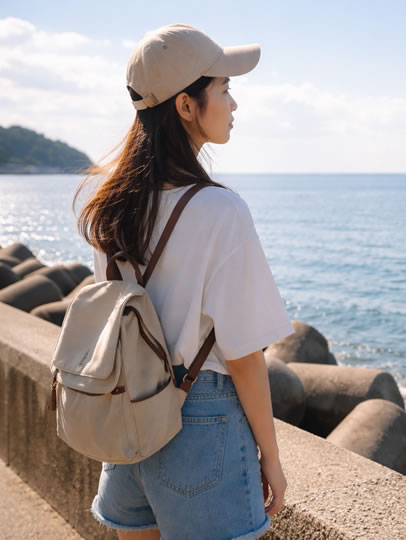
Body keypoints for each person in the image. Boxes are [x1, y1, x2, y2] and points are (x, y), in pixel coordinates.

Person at [73, 24, 294, 540]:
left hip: (126, 418)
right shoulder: (220, 210)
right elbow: (242, 354)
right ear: (186, 107)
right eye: (223, 89)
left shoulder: (111, 205)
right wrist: (271, 456)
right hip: (200, 425)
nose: (234, 104)